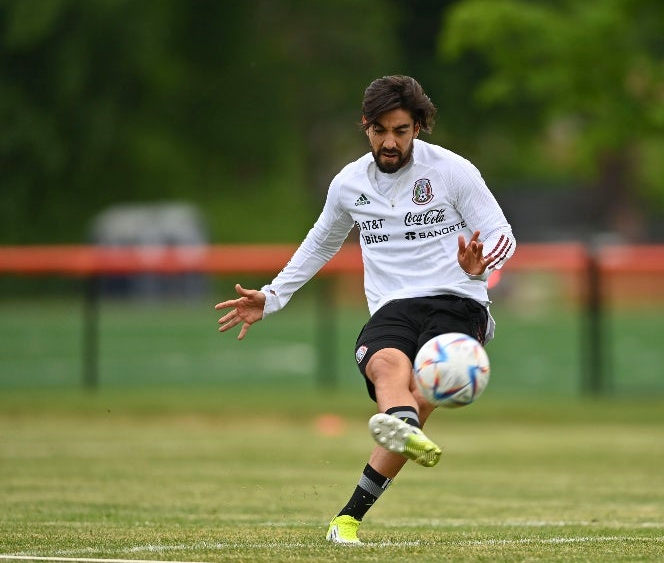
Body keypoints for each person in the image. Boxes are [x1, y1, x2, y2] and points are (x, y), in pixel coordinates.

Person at [214, 75, 515, 544]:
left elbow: (501, 233)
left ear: (417, 127)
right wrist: (271, 297)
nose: (389, 141)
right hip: (394, 306)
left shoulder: (453, 171)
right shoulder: (348, 183)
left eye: (399, 130)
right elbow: (320, 244)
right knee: (385, 364)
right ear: (365, 126)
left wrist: (481, 266)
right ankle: (371, 480)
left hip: (458, 300)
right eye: (379, 130)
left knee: (423, 382)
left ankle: (398, 430)